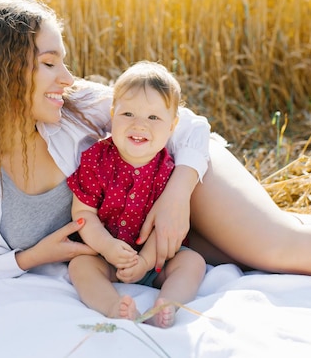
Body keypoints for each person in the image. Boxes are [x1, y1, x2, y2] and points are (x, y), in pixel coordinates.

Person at [0, 0, 311, 296]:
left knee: (278, 244)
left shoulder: (79, 108)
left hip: (180, 175)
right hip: (138, 233)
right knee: (271, 250)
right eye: (50, 63)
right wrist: (32, 257)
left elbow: (188, 126)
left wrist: (175, 198)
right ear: (3, 68)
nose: (67, 76)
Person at [66, 61, 206, 328]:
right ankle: (112, 307)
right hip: (104, 256)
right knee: (80, 266)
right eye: (128, 114)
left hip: (155, 260)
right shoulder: (95, 159)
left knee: (192, 263)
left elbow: (163, 228)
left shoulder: (169, 168)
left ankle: (167, 304)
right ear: (112, 115)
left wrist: (144, 262)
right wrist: (106, 247)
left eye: (153, 117)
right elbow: (83, 213)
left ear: (172, 126)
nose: (140, 125)